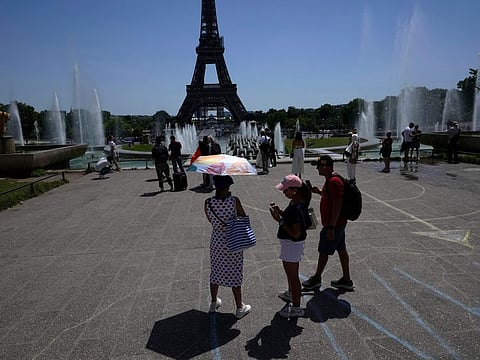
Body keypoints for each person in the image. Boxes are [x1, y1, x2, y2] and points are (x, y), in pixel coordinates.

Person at [302, 155, 354, 292]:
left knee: (324, 251)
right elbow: (332, 198)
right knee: (341, 250)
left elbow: (337, 205)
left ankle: (317, 278)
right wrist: (319, 192)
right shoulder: (330, 180)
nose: (317, 168)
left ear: (327, 166)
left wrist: (331, 227)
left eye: (319, 166)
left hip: (334, 224)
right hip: (338, 224)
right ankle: (347, 280)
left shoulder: (334, 182)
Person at [204, 175, 251, 319]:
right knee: (235, 273)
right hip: (233, 241)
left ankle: (213, 302)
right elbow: (243, 217)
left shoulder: (208, 202)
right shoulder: (234, 201)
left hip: (217, 241)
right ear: (228, 187)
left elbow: (210, 220)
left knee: (216, 271)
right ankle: (239, 307)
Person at [270, 175, 312, 318]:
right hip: (289, 244)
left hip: (292, 244)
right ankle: (291, 293)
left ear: (294, 190)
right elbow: (292, 220)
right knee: (290, 274)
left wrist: (279, 221)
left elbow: (296, 233)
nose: (284, 192)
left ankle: (296, 307)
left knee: (293, 276)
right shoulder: (296, 202)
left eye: (286, 190)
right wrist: (281, 212)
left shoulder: (297, 207)